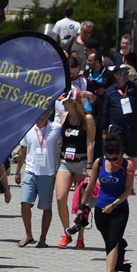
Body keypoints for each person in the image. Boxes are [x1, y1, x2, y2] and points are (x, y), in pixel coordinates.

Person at [84, 134, 135, 272]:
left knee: (112, 241)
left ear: (120, 153)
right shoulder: (99, 163)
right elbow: (90, 186)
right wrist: (82, 205)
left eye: (115, 159)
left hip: (120, 209)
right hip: (101, 209)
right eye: (109, 158)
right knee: (110, 241)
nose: (112, 162)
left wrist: (114, 204)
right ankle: (116, 270)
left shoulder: (127, 165)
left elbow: (128, 190)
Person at [14, 109, 63, 248]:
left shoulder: (56, 128)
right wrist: (17, 171)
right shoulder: (28, 127)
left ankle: (43, 238)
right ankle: (28, 234)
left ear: (48, 113)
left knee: (46, 207)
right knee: (24, 202)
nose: (41, 115)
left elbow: (62, 147)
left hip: (47, 174)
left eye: (44, 112)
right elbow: (22, 150)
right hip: (30, 171)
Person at [54, 91, 95, 248]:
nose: (63, 105)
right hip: (65, 162)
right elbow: (59, 139)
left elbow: (90, 143)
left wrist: (90, 166)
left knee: (81, 202)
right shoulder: (65, 116)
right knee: (60, 197)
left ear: (74, 103)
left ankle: (80, 237)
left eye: (66, 102)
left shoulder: (87, 118)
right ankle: (67, 232)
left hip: (82, 162)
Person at [99, 64, 137, 170]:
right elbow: (105, 112)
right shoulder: (110, 91)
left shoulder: (136, 87)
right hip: (117, 128)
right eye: (122, 73)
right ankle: (117, 176)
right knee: (116, 155)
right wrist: (104, 130)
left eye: (126, 73)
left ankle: (130, 177)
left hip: (133, 128)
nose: (125, 75)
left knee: (133, 156)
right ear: (115, 75)